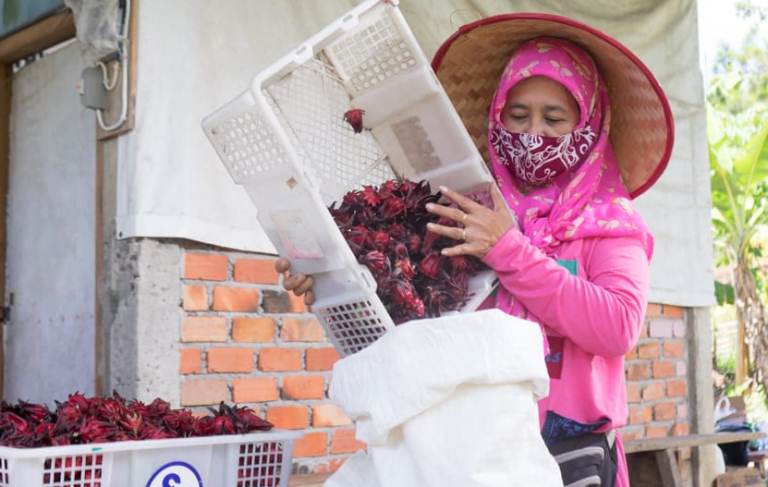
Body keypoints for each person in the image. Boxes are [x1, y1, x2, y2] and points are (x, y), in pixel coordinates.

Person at [277, 13, 674, 487]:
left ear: (587, 126)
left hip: (570, 459)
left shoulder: (609, 225)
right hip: (463, 458)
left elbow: (617, 327)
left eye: (554, 118)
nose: (533, 134)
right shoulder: (464, 209)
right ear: (496, 116)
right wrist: (331, 283)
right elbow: (410, 334)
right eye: (518, 115)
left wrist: (509, 250)